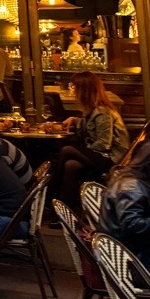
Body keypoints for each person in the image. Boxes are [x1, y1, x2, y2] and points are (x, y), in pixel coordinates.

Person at [53, 71, 131, 213]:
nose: (72, 90)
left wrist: (84, 150)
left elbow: (103, 144)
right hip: (99, 155)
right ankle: (67, 208)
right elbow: (88, 126)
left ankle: (52, 194)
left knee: (67, 150)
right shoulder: (91, 110)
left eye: (74, 87)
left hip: (111, 158)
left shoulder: (102, 112)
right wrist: (74, 120)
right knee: (71, 165)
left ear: (84, 90)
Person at [101, 140, 150, 285]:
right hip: (131, 265)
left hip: (138, 257)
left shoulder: (137, 183)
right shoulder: (131, 188)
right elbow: (132, 225)